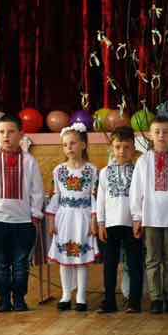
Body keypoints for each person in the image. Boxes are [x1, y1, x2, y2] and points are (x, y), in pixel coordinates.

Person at [0, 114, 44, 315]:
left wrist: (35, 215)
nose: (6, 136)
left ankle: (19, 298)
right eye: (2, 132)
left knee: (21, 264)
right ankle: (3, 299)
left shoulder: (29, 161)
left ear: (21, 134)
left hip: (23, 221)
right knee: (0, 264)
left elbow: (37, 191)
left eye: (11, 132)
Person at [132, 115, 168, 314]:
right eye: (157, 132)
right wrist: (137, 217)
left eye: (165, 132)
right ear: (150, 135)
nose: (161, 135)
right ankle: (155, 298)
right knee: (152, 259)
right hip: (150, 217)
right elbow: (136, 191)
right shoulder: (143, 161)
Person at [46, 123, 97, 313]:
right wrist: (51, 221)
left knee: (80, 257)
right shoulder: (59, 170)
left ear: (83, 144)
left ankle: (81, 296)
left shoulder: (91, 170)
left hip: (83, 218)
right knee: (65, 257)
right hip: (65, 218)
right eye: (65, 144)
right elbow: (56, 196)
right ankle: (66, 294)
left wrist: (94, 221)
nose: (69, 147)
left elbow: (94, 197)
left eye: (73, 143)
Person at [93, 126, 142, 315]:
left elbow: (141, 198)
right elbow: (100, 199)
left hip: (132, 224)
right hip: (110, 225)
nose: (122, 151)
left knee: (134, 263)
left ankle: (134, 302)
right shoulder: (104, 172)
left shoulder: (138, 171)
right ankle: (109, 301)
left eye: (127, 147)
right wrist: (101, 223)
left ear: (133, 149)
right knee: (110, 264)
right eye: (118, 147)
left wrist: (139, 219)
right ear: (111, 149)